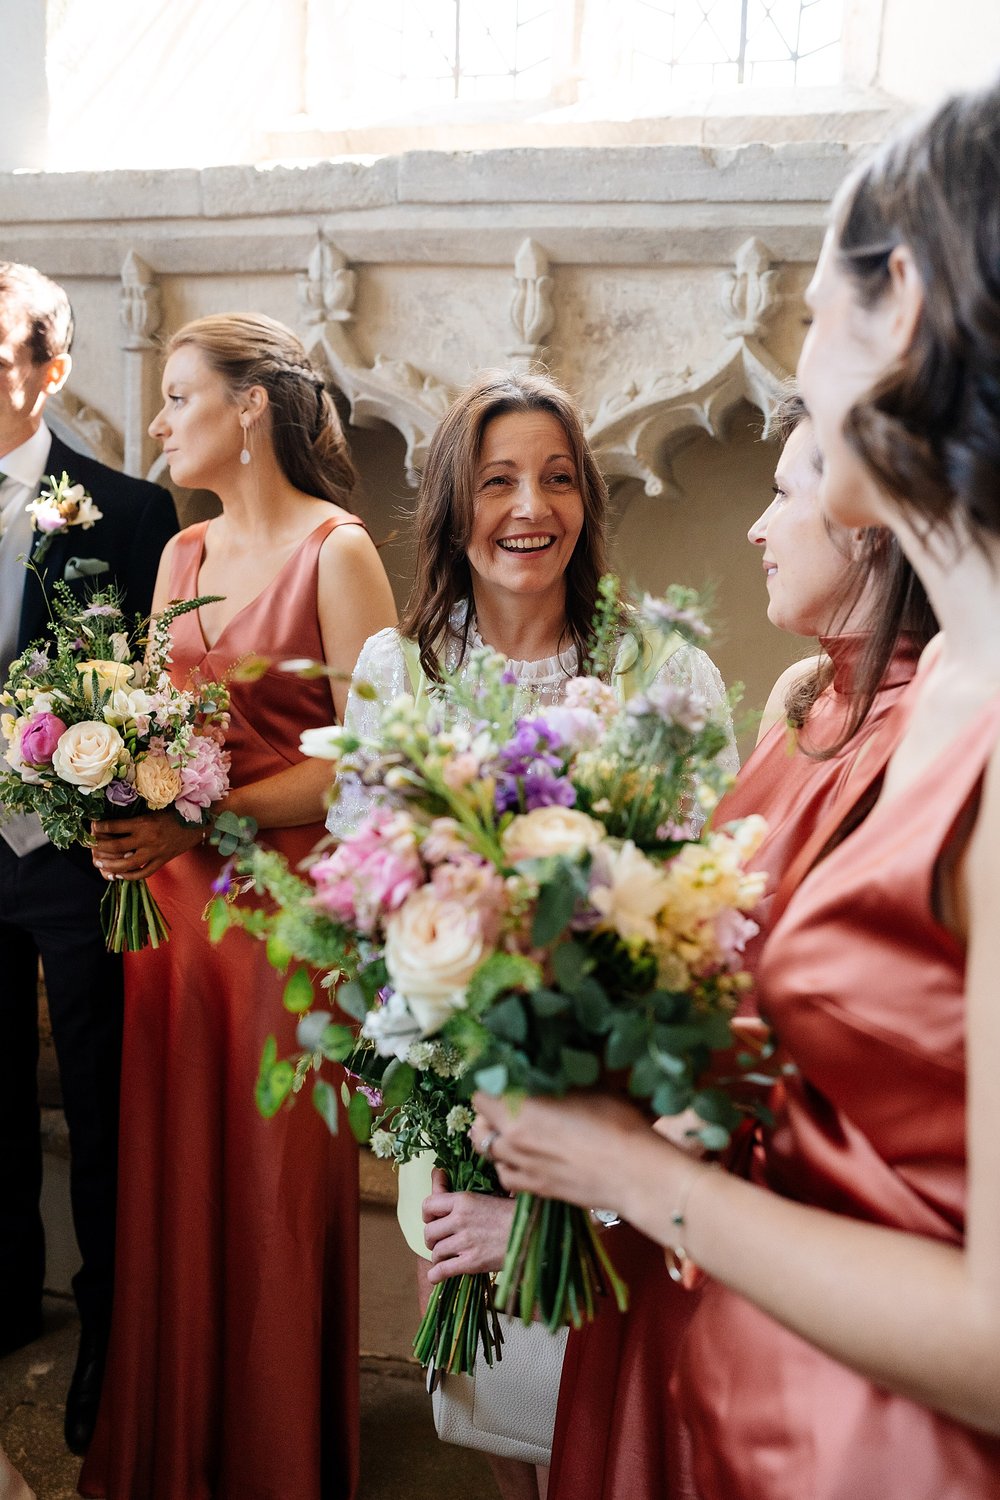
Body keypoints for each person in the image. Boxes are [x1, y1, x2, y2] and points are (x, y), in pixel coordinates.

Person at [474, 77, 1000, 1499]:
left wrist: (639, 1177)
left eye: (822, 294)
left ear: (910, 312)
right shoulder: (939, 683)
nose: (798, 335)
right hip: (755, 1417)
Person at [330, 368, 737, 1500]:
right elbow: (366, 890)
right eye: (500, 479)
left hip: (622, 1093)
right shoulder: (395, 672)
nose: (531, 508)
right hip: (459, 1098)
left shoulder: (664, 674)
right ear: (455, 501)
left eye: (559, 481)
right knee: (496, 1405)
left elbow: (709, 901)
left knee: (615, 1413)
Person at [540, 391, 936, 1500]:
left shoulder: (918, 743)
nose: (757, 528)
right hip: (671, 1252)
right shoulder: (810, 710)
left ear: (864, 516)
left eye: (780, 490)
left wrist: (600, 1172)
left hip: (757, 1277)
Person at [80, 313, 397, 1500]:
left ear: (250, 407)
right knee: (175, 1188)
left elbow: (370, 759)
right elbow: (164, 739)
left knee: (268, 1191)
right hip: (169, 923)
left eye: (177, 396)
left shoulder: (339, 552)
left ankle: (273, 1462)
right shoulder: (181, 557)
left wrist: (202, 821)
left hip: (279, 924)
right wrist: (110, 794)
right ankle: (179, 1454)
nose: (158, 422)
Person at [0, 261, 177, 1455]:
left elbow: (163, 694)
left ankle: (112, 1333)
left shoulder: (128, 512)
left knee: (107, 1113)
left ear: (49, 371)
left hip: (80, 862)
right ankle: (9, 1299)